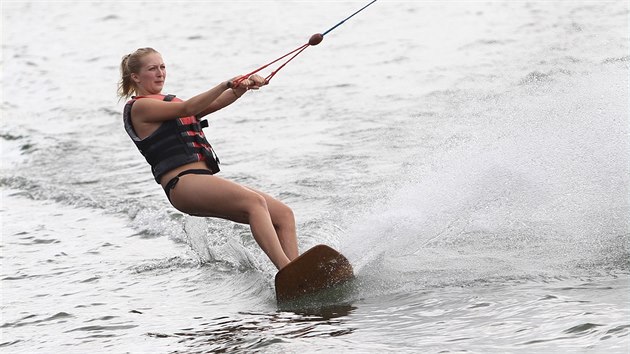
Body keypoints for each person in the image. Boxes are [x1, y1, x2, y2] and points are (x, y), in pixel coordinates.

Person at [117, 47, 298, 270]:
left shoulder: (168, 104)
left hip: (200, 180)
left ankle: (298, 274)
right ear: (135, 77)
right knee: (255, 202)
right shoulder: (141, 107)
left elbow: (211, 105)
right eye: (152, 69)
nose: (160, 73)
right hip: (182, 183)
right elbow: (188, 107)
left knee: (282, 215)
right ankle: (287, 270)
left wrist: (243, 87)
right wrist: (225, 84)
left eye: (162, 67)